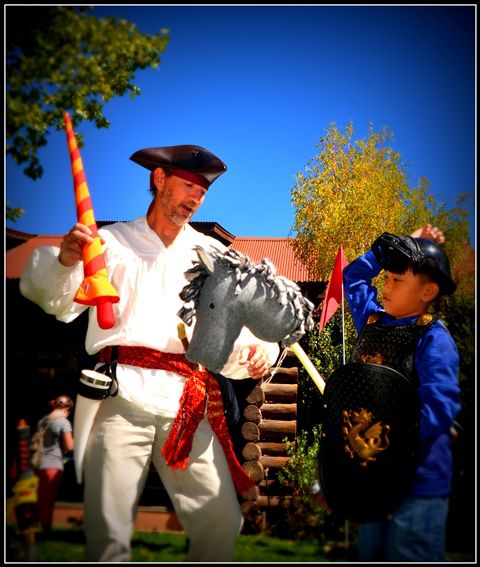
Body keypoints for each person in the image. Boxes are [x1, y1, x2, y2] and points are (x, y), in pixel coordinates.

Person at [19, 144, 279, 562]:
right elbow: (56, 301)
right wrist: (67, 262)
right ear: (159, 180)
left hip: (186, 402)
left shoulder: (211, 256)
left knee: (220, 521)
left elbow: (237, 328)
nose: (195, 198)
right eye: (188, 185)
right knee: (109, 529)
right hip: (120, 394)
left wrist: (256, 351)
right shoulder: (111, 242)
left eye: (203, 191)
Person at [343, 224, 461, 562]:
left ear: (427, 293)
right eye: (387, 278)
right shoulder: (372, 321)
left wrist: (379, 437)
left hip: (418, 487)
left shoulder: (433, 341)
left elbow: (437, 411)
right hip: (375, 479)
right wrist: (386, 252)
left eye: (397, 280)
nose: (386, 287)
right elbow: (353, 279)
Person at [34, 395, 74, 534]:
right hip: (54, 464)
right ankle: (44, 529)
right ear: (67, 410)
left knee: (40, 497)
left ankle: (35, 526)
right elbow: (70, 446)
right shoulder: (63, 422)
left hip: (39, 463)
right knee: (48, 498)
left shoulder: (42, 421)